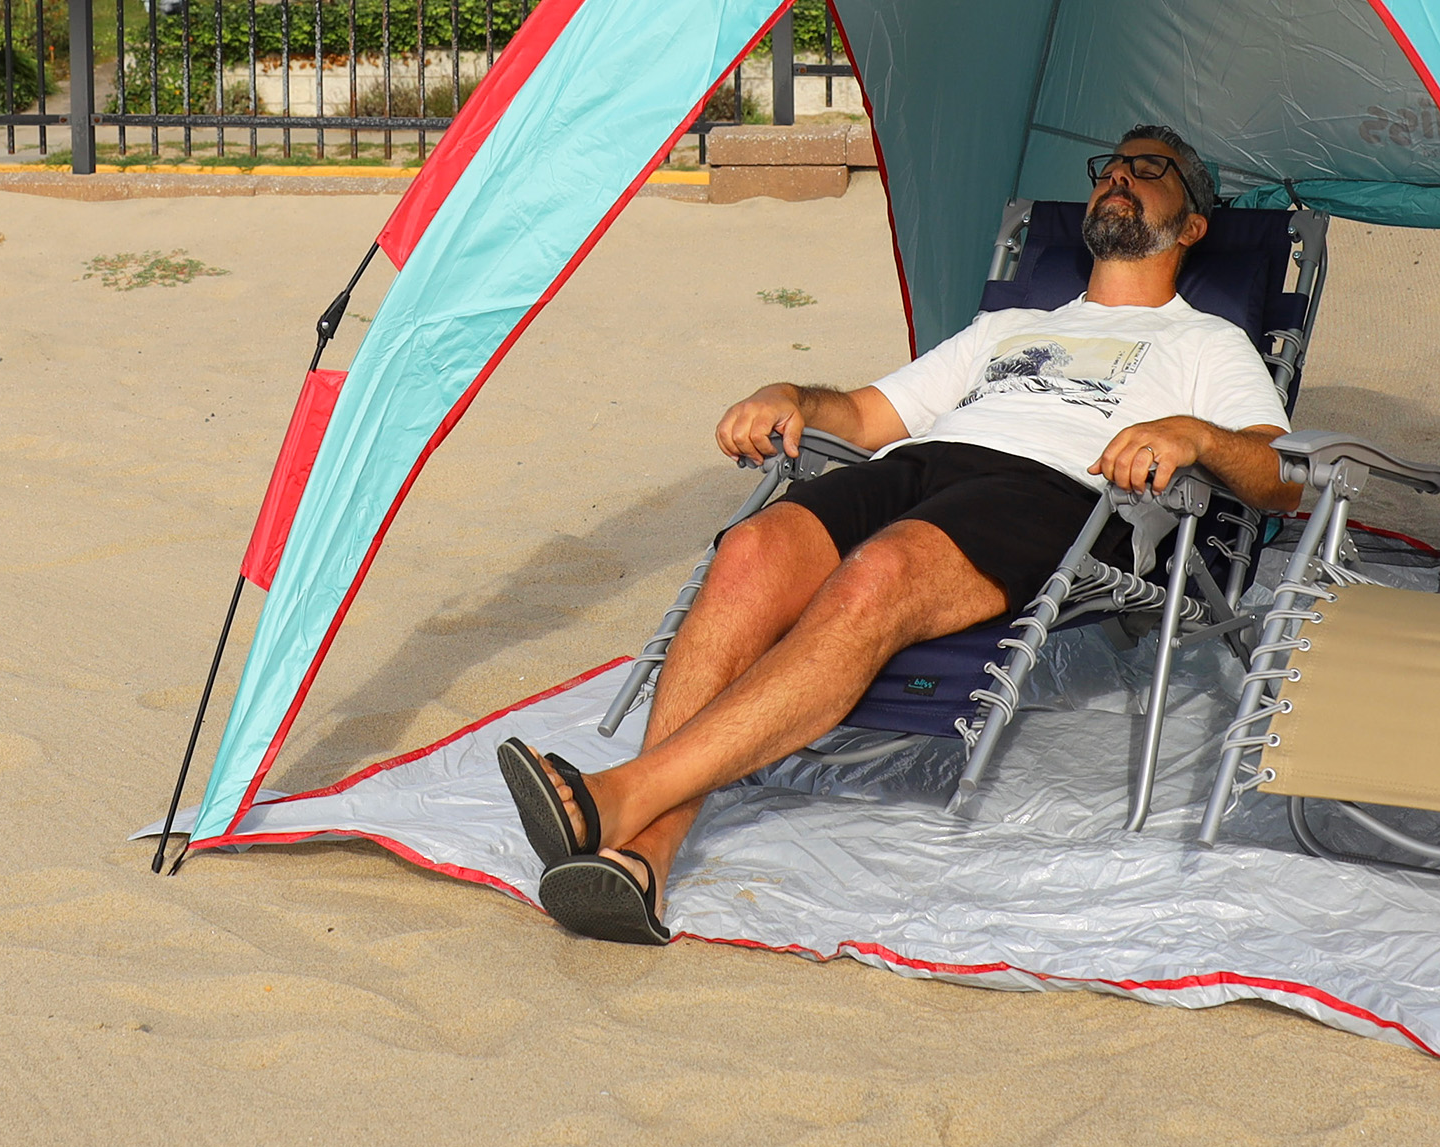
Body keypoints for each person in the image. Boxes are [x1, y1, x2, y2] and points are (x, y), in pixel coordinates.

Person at [498, 124, 1299, 943]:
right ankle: (646, 857)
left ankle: (623, 794)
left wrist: (1196, 437)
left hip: (1056, 492)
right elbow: (866, 414)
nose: (1119, 177)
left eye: (1149, 169)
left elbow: (1282, 478)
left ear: (1193, 225)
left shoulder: (1206, 341)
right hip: (926, 463)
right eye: (1111, 167)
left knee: (877, 577)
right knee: (751, 550)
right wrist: (791, 396)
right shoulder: (1007, 326)